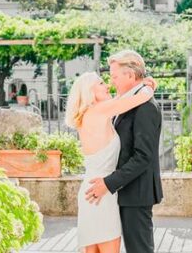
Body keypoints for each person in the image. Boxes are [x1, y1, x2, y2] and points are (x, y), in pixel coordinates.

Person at [65, 65, 155, 253]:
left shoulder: (89, 114)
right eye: (101, 83)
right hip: (101, 191)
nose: (107, 85)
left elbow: (120, 100)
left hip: (91, 189)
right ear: (90, 91)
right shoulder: (100, 110)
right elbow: (141, 97)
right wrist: (148, 86)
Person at [83, 50, 164, 253]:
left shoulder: (145, 107)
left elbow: (143, 156)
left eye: (114, 76)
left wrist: (109, 183)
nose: (111, 82)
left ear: (130, 75)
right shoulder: (128, 102)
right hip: (123, 191)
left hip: (136, 193)